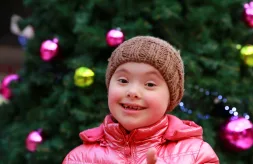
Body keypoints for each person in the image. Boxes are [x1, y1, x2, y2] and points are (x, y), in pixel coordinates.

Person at [62, 36, 219, 164]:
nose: (132, 92)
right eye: (123, 81)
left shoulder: (196, 154)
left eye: (150, 84)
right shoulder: (79, 158)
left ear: (171, 97)